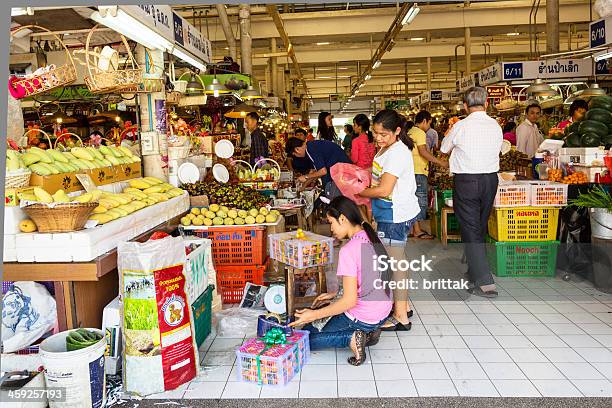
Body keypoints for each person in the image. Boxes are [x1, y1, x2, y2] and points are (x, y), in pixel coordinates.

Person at [289, 196, 393, 366]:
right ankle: (368, 333)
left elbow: (350, 301)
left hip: (364, 316)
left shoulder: (349, 250)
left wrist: (312, 315)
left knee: (305, 338)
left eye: (331, 222)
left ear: (343, 219)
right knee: (322, 317)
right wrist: (334, 294)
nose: (331, 229)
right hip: (382, 313)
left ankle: (352, 337)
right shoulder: (372, 237)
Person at [358, 109, 421, 331]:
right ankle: (403, 305)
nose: (378, 138)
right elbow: (379, 173)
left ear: (397, 131)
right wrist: (359, 173)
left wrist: (358, 190)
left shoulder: (397, 153)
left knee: (395, 266)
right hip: (391, 212)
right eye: (375, 133)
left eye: (383, 134)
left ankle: (401, 317)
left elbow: (384, 188)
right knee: (397, 262)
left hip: (395, 214)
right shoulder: (388, 148)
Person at [440, 86, 503, 298]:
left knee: (471, 229)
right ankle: (474, 272)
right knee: (479, 226)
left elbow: (443, 148)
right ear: (486, 104)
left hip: (467, 181)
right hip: (490, 181)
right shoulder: (496, 125)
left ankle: (485, 283)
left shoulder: (461, 126)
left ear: (465, 106)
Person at [409, 110, 449, 240]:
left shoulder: (410, 131)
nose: (429, 127)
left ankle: (414, 229)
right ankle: (417, 231)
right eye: (429, 123)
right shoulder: (420, 133)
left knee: (413, 200)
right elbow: (423, 152)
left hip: (412, 170)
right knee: (420, 200)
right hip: (418, 171)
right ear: (425, 121)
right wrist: (440, 162)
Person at [285, 137, 350, 200]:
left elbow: (322, 171)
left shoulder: (310, 149)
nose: (296, 156)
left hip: (342, 175)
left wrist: (305, 177)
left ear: (297, 149)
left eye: (294, 154)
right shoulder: (310, 146)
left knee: (337, 201)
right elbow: (316, 171)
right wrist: (304, 186)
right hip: (340, 173)